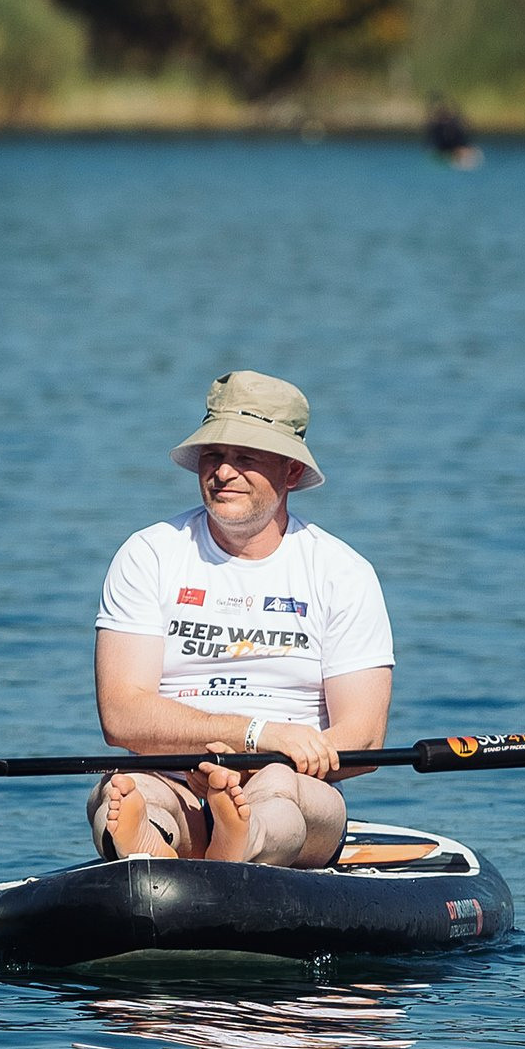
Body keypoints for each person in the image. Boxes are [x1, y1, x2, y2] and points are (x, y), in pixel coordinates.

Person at [90, 371, 394, 867]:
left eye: (246, 458)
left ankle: (241, 838)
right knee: (123, 792)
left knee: (277, 790)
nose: (223, 472)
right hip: (176, 769)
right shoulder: (150, 553)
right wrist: (254, 733)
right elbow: (122, 714)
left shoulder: (342, 571)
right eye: (213, 455)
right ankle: (148, 844)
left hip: (294, 778)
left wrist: (271, 755)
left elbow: (362, 734)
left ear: (291, 473)